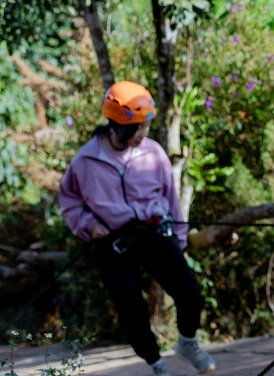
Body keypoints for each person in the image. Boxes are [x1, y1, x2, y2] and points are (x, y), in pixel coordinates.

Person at [58, 81, 217, 376]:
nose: (144, 134)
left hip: (153, 232)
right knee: (132, 308)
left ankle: (187, 343)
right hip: (114, 240)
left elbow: (171, 196)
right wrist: (88, 225)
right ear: (117, 126)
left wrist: (180, 238)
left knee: (190, 292)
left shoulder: (153, 153)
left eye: (146, 126)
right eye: (138, 128)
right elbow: (68, 199)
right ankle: (155, 362)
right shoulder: (86, 161)